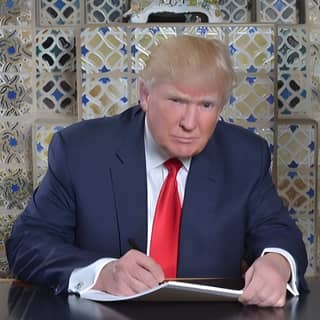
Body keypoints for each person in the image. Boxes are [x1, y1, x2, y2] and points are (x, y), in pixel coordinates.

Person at [6, 35, 308, 307]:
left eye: (206, 105)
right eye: (177, 101)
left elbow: (279, 232)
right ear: (145, 95)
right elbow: (26, 243)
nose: (190, 123)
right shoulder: (80, 151)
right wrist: (101, 273)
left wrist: (277, 263)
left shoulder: (245, 156)